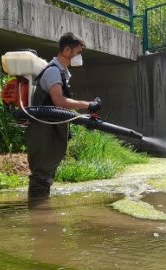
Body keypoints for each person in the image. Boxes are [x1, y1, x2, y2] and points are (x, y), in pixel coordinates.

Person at [26, 32, 101, 203]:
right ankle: (38, 214)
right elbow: (59, 101)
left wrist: (83, 115)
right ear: (67, 50)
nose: (79, 57)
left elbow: (60, 106)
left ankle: (40, 211)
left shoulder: (61, 72)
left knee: (46, 174)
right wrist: (88, 105)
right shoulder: (53, 72)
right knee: (41, 175)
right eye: (78, 52)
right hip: (42, 130)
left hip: (48, 129)